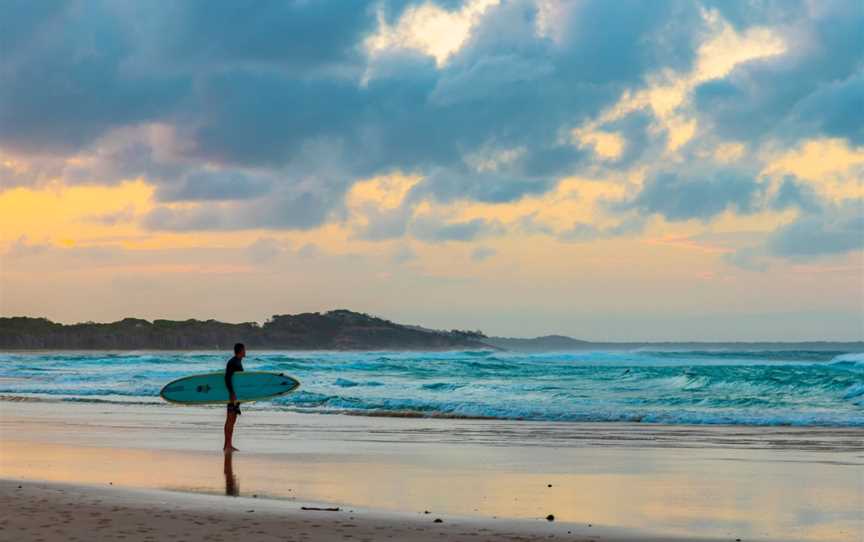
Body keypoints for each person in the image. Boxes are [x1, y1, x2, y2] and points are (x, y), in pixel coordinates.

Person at [223, 342, 245, 452]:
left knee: (232, 420)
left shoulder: (237, 361)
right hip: (233, 396)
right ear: (241, 350)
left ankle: (228, 444)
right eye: (244, 349)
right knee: (230, 419)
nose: (245, 351)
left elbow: (237, 380)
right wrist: (232, 393)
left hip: (236, 396)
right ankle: (227, 445)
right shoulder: (233, 362)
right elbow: (227, 378)